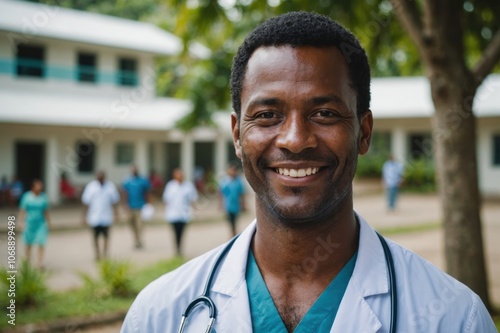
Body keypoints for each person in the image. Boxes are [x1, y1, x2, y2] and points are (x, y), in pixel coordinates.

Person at [122, 12, 496, 332]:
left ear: (363, 133)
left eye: (325, 114)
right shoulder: (159, 314)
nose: (295, 140)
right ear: (237, 135)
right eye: (268, 115)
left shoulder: (453, 317)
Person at [82, 171, 120, 261]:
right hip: (94, 217)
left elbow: (114, 202)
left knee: (106, 237)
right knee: (95, 237)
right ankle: (97, 254)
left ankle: (105, 254)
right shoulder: (91, 187)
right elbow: (86, 203)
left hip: (106, 217)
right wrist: (83, 216)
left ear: (104, 177)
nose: (99, 178)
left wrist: (116, 214)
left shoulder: (110, 186)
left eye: (101, 176)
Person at [161, 168, 198, 256]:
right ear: (174, 176)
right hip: (173, 214)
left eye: (181, 175)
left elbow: (193, 199)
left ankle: (180, 247)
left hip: (184, 214)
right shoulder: (170, 186)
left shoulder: (188, 186)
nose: (180, 176)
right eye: (178, 174)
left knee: (181, 231)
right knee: (175, 231)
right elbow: (166, 199)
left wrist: (195, 210)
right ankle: (177, 248)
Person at [19, 179, 50, 270]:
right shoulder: (27, 197)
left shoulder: (43, 197)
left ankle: (40, 263)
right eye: (38, 186)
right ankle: (27, 261)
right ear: (33, 187)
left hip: (40, 222)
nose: (40, 187)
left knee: (41, 241)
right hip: (29, 222)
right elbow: (23, 210)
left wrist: (49, 222)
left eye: (41, 185)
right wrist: (21, 222)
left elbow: (45, 210)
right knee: (28, 242)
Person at [122, 166, 151, 249]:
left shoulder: (142, 181)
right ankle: (136, 239)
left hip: (140, 206)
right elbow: (124, 193)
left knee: (140, 225)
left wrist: (148, 204)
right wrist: (124, 204)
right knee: (132, 225)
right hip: (130, 207)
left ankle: (139, 240)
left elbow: (147, 192)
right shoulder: (128, 181)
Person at [218, 164, 246, 236]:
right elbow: (221, 193)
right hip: (228, 205)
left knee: (235, 221)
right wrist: (220, 204)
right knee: (231, 221)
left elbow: (242, 194)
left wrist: (243, 205)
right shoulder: (225, 181)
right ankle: (233, 234)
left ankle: (234, 234)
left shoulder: (238, 181)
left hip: (236, 205)